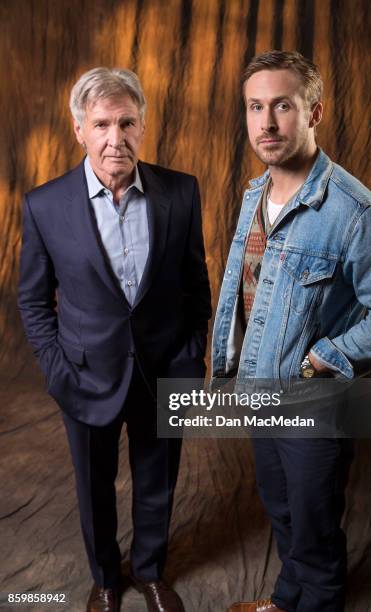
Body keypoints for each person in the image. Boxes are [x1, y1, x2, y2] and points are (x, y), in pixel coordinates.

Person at [211, 50, 371, 612]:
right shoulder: (256, 194)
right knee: (282, 511)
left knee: (316, 528)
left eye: (282, 106)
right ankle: (283, 599)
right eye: (255, 107)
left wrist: (323, 357)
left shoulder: (353, 211)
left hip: (313, 404)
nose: (267, 123)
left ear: (314, 112)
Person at [18, 67, 211, 612]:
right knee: (94, 489)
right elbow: (33, 301)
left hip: (164, 370)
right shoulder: (44, 205)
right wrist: (58, 369)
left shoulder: (180, 191)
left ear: (143, 126)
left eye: (126, 122)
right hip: (84, 375)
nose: (114, 138)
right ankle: (105, 578)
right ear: (79, 129)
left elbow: (197, 284)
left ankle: (150, 572)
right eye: (101, 124)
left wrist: (190, 358)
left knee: (158, 483)